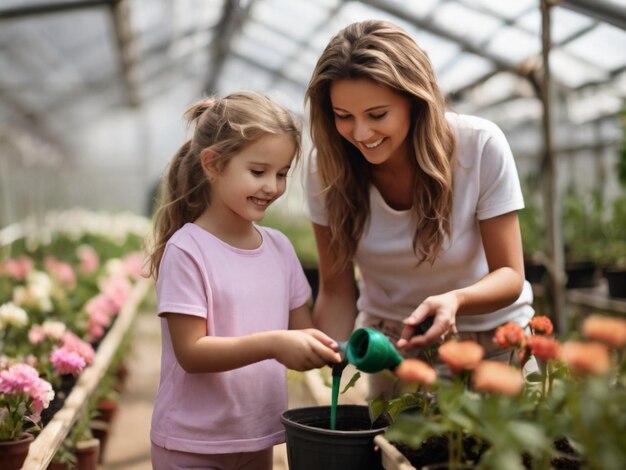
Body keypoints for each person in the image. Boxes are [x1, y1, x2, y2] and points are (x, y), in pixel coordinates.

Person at [304, 19, 535, 398]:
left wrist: (456, 300)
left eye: (377, 115)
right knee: (397, 453)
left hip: (490, 341)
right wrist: (327, 355)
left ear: (415, 100)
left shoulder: (478, 147)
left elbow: (510, 274)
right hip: (391, 348)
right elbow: (336, 291)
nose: (361, 134)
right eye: (343, 116)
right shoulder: (324, 168)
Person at [146, 91, 342, 470]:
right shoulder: (188, 250)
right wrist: (273, 344)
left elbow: (303, 332)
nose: (272, 186)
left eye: (282, 174)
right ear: (213, 165)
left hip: (257, 435)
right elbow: (192, 353)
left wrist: (346, 344)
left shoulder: (280, 249)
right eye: (258, 172)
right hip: (192, 443)